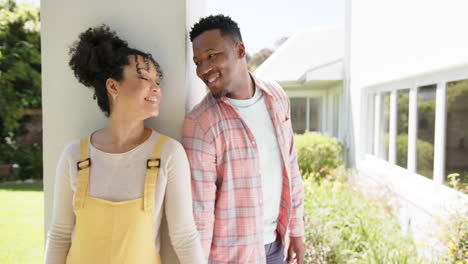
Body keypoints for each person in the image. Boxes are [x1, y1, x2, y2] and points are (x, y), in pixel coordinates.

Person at [43, 25, 205, 264]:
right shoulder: (74, 155)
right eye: (144, 77)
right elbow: (59, 235)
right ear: (113, 86)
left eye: (157, 81)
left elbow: (184, 237)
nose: (156, 88)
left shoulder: (167, 154)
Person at [182, 15, 305, 264]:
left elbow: (290, 167)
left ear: (239, 50)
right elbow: (200, 214)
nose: (203, 69)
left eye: (212, 55)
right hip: (232, 257)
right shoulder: (201, 123)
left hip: (276, 247)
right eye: (198, 61)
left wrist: (297, 230)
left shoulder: (277, 97)